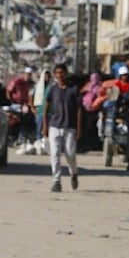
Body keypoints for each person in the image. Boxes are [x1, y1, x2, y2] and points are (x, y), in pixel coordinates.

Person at [43, 63, 81, 193]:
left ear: (66, 73)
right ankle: (56, 181)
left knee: (70, 154)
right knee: (55, 154)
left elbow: (79, 110)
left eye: (62, 72)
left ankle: (74, 173)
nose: (60, 75)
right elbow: (46, 108)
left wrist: (79, 128)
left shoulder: (73, 89)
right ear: (55, 74)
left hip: (70, 126)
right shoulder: (52, 89)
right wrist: (45, 126)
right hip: (54, 125)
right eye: (58, 73)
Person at [5, 67, 36, 144]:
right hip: (15, 105)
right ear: (24, 74)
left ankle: (21, 137)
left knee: (24, 120)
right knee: (14, 121)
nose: (28, 76)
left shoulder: (30, 84)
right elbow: (8, 91)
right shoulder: (17, 81)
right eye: (27, 74)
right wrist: (11, 101)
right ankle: (11, 137)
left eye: (29, 75)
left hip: (24, 105)